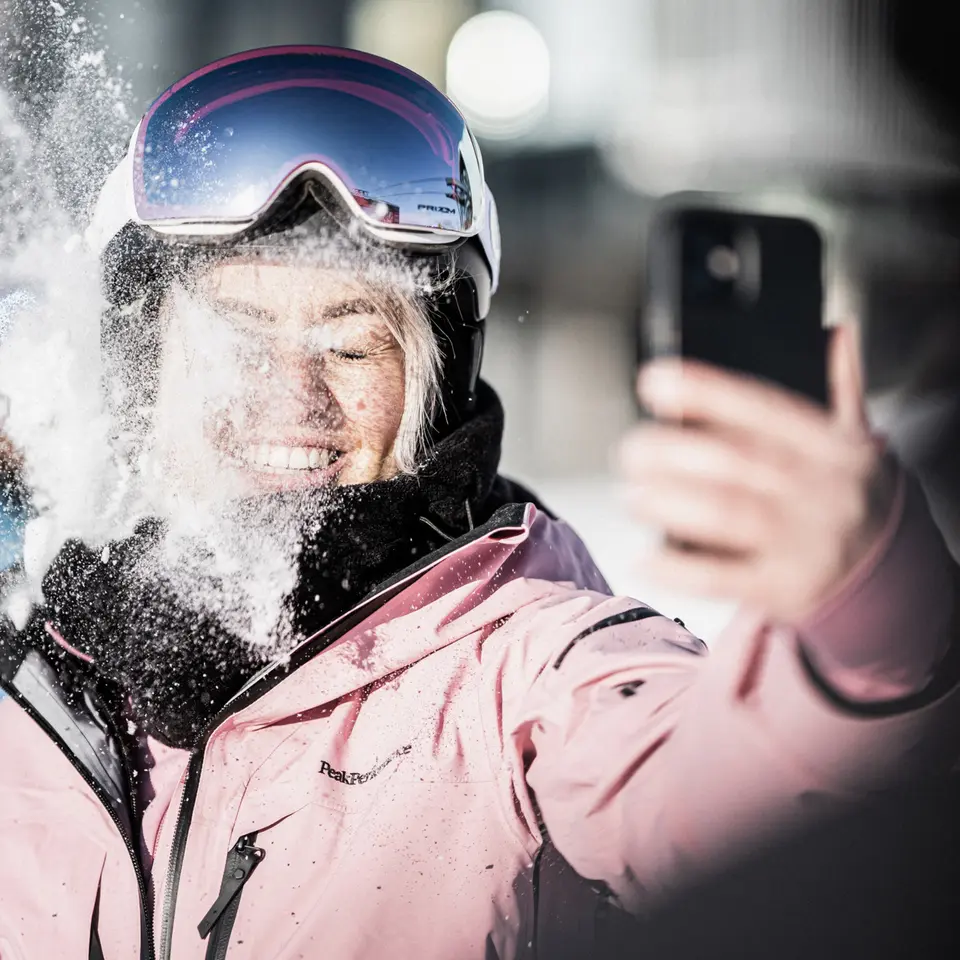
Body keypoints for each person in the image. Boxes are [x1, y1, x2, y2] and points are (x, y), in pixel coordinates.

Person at [0, 46, 957, 960]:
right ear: (144, 366)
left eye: (352, 345)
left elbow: (733, 799)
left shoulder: (528, 671)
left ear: (435, 384)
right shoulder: (40, 666)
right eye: (236, 337)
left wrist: (864, 628)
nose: (291, 396)